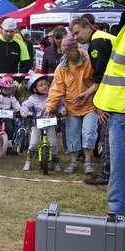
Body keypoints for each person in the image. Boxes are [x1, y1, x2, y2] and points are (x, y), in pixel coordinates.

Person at [70, 17, 116, 185]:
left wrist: (99, 104)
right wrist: (87, 94)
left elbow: (102, 78)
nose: (76, 38)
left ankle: (105, 174)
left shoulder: (97, 44)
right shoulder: (106, 37)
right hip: (115, 94)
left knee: (107, 137)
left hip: (114, 97)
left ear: (88, 28)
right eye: (73, 35)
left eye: (77, 33)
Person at [45, 35, 97, 175]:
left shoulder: (89, 61)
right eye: (64, 52)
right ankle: (73, 162)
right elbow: (57, 89)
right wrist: (50, 106)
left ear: (76, 49)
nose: (66, 55)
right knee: (72, 135)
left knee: (88, 132)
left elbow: (97, 81)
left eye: (69, 51)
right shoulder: (61, 68)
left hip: (90, 105)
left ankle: (87, 162)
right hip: (71, 106)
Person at [92, 10, 125, 216]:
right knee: (117, 167)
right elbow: (114, 71)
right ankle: (117, 212)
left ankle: (117, 211)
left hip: (119, 110)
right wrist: (102, 101)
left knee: (118, 167)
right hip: (115, 109)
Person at [20, 74, 64, 171]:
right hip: (37, 123)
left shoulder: (52, 96)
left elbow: (60, 104)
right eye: (41, 85)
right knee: (33, 143)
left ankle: (56, 162)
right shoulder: (32, 99)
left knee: (53, 143)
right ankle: (28, 161)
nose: (44, 86)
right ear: (35, 89)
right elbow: (24, 106)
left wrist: (62, 110)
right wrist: (24, 113)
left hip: (50, 122)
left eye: (45, 84)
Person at [0, 18, 32, 95]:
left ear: (16, 30)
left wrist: (17, 83)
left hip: (12, 85)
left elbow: (26, 65)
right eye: (6, 31)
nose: (8, 34)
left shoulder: (21, 44)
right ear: (1, 30)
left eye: (11, 31)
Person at [0, 76, 21, 140]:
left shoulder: (11, 97)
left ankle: (9, 140)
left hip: (7, 114)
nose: (8, 91)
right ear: (0, 88)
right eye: (6, 89)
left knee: (10, 127)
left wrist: (19, 109)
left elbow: (15, 103)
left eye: (10, 89)